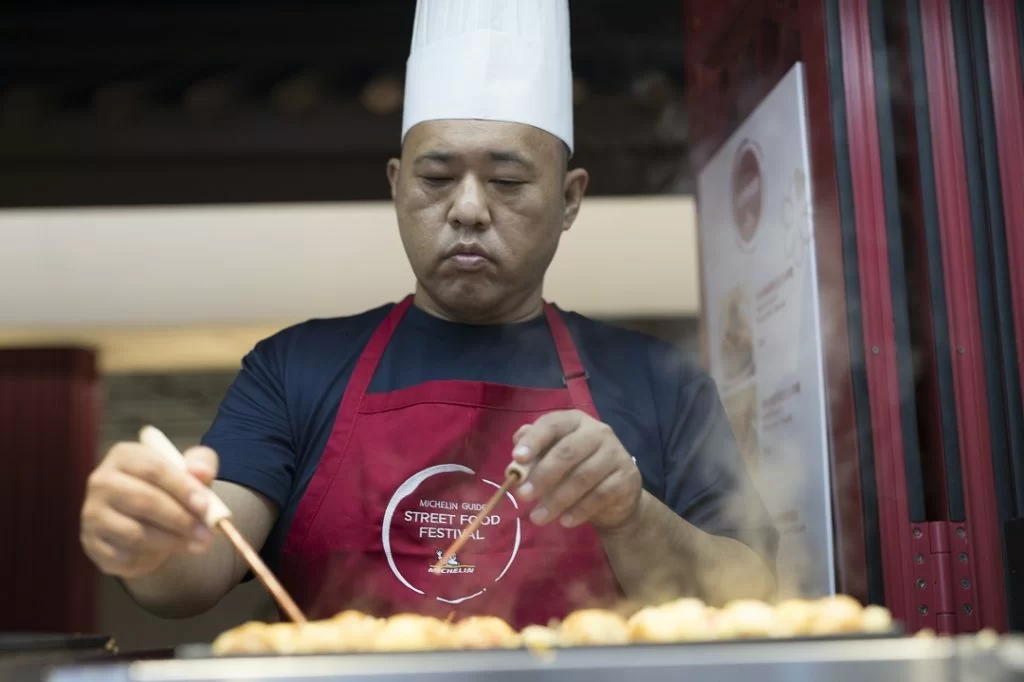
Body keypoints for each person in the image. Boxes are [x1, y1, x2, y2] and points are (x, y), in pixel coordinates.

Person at [80, 0, 778, 629]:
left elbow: (755, 599)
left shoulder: (661, 382)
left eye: (506, 182)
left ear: (570, 199)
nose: (469, 209)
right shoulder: (294, 370)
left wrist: (630, 511)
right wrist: (149, 541)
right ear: (395, 185)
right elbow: (191, 575)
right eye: (436, 178)